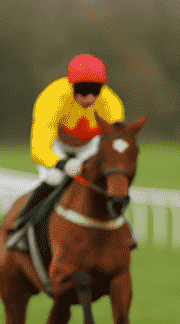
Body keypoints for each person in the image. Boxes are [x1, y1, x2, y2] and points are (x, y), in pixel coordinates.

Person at [11, 53, 126, 232]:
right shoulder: (51, 98)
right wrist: (62, 163)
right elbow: (39, 148)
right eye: (83, 90)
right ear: (71, 85)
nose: (89, 98)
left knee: (106, 183)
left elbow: (115, 146)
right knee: (54, 178)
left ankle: (122, 230)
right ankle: (21, 224)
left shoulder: (112, 105)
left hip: (90, 146)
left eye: (95, 91)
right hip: (58, 144)